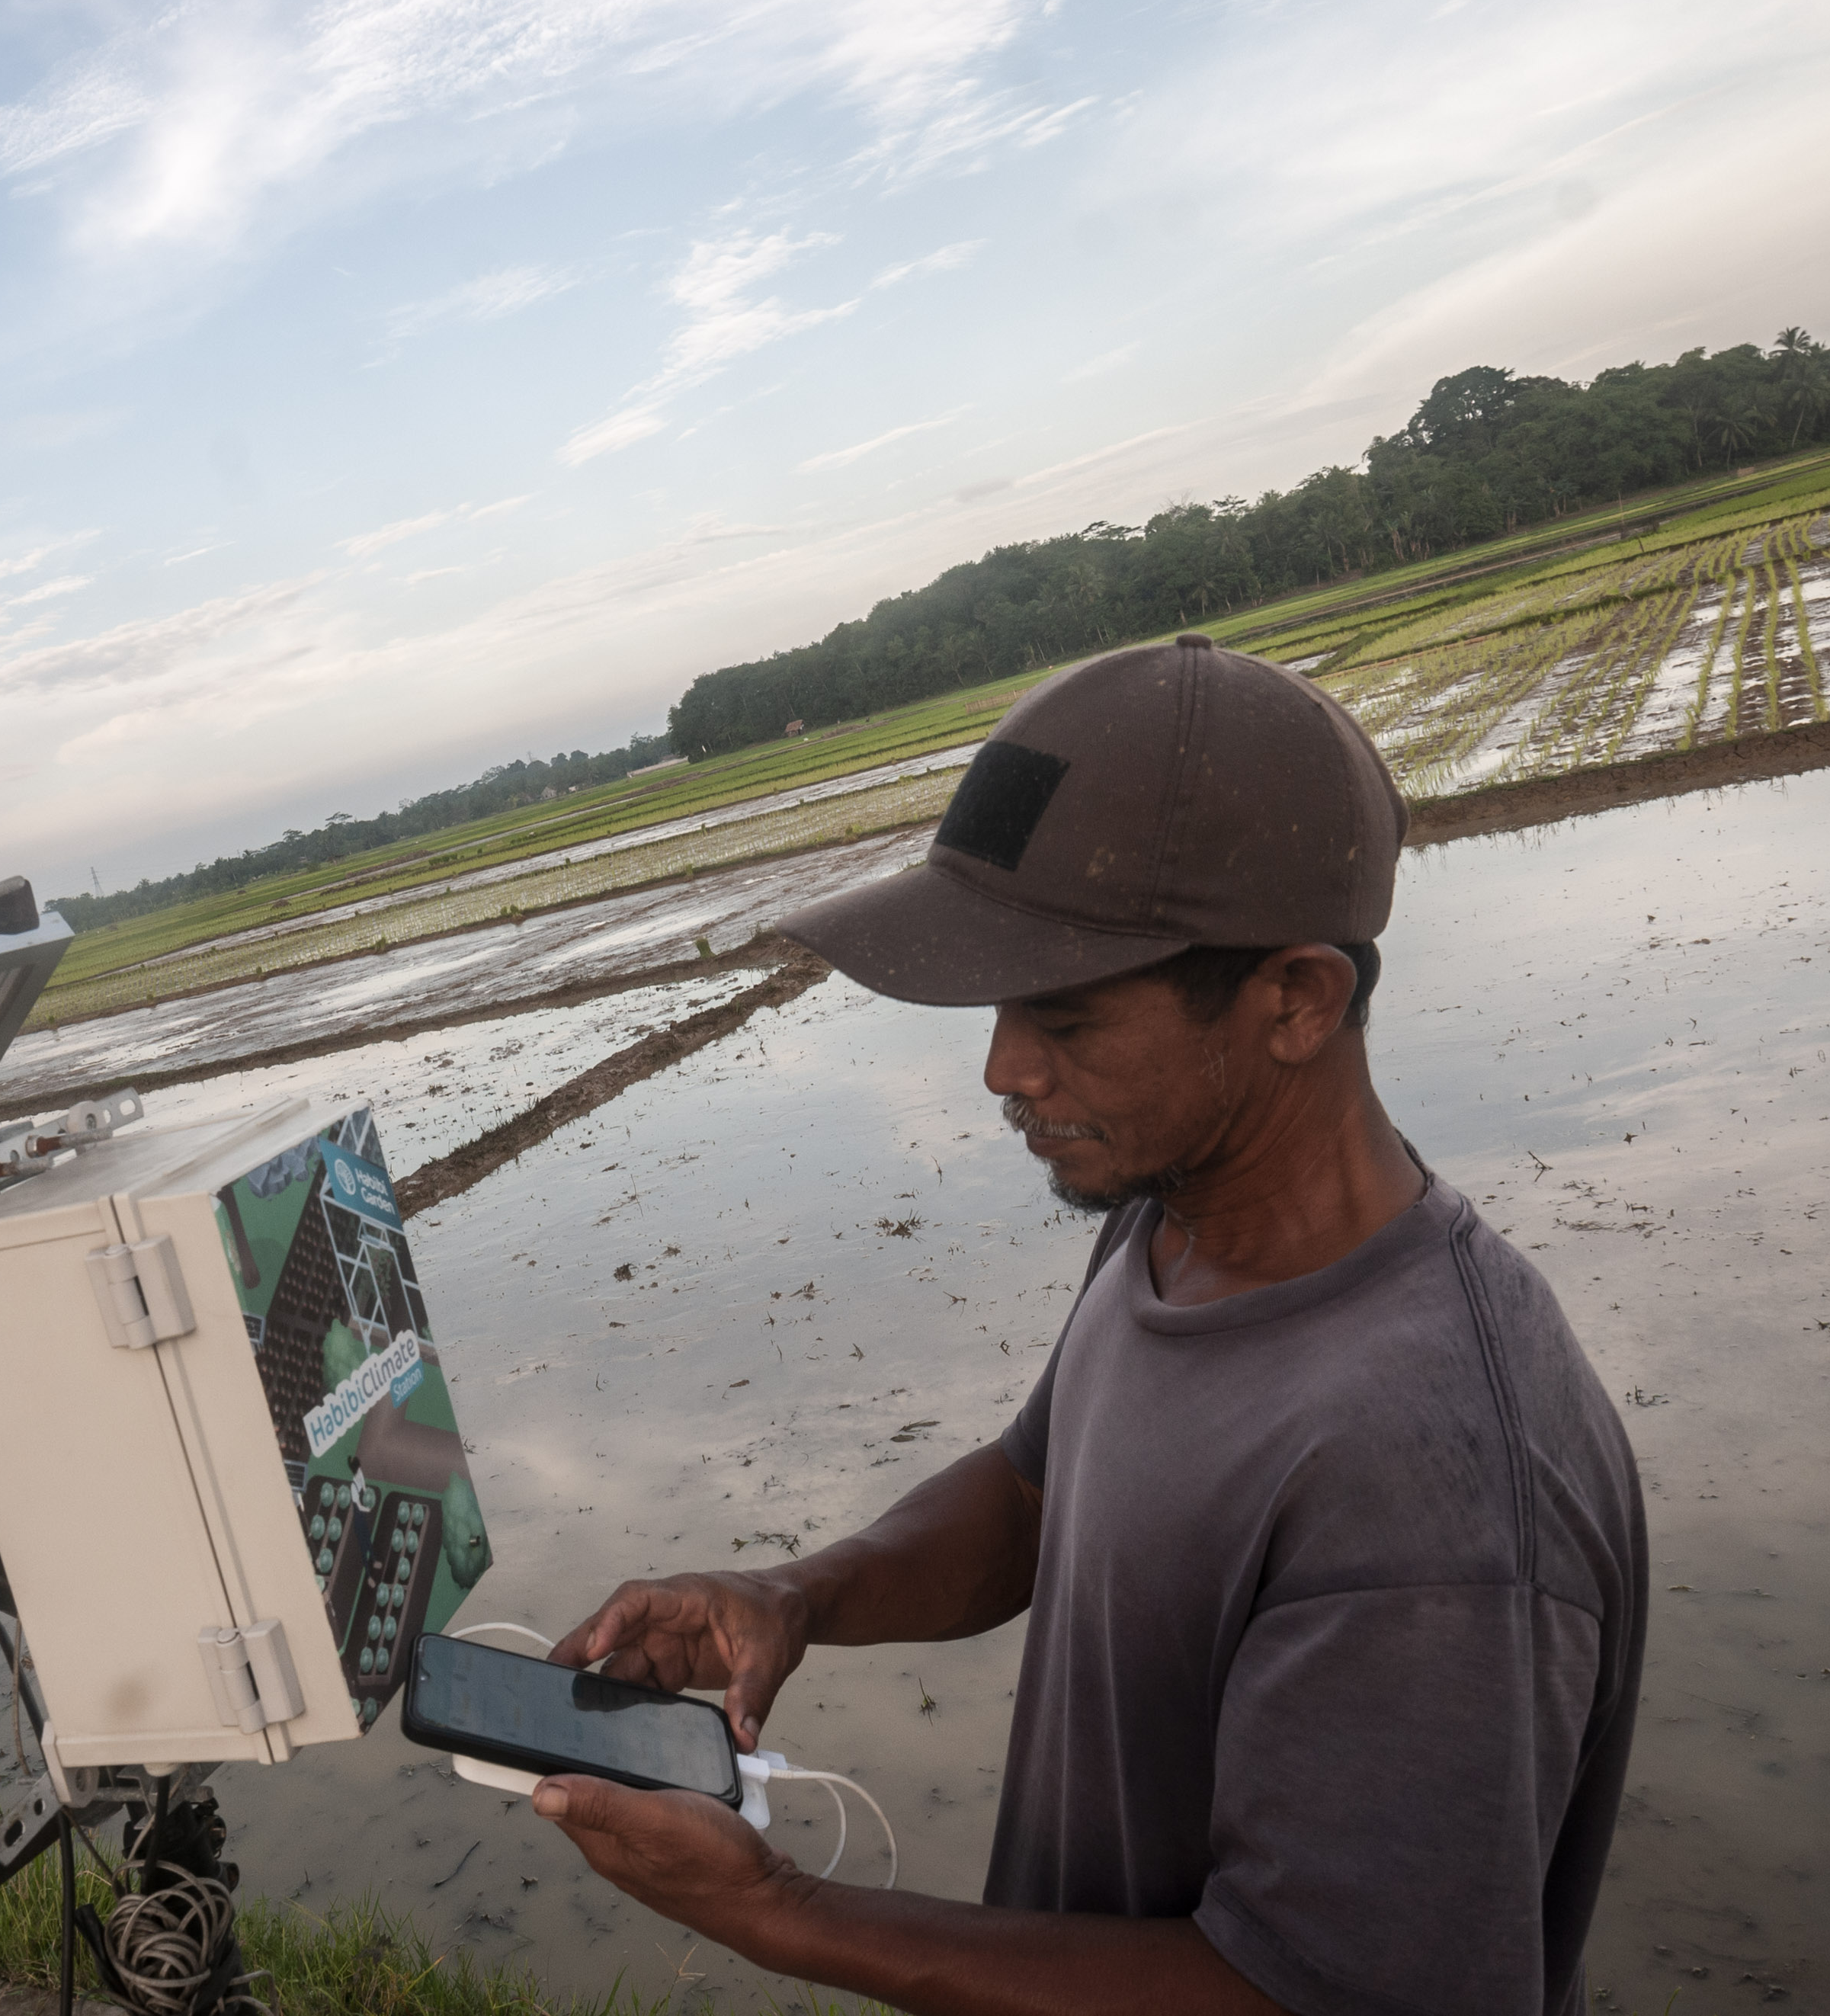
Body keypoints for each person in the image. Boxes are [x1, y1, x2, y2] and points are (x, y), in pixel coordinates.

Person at [531, 635, 1647, 2016]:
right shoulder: (1173, 1214)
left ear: (1296, 999)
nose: (1003, 1065)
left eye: (1063, 1016)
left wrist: (779, 1912)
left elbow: (1307, 1995)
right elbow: (1036, 1494)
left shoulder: (1436, 1485)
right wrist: (800, 1597)